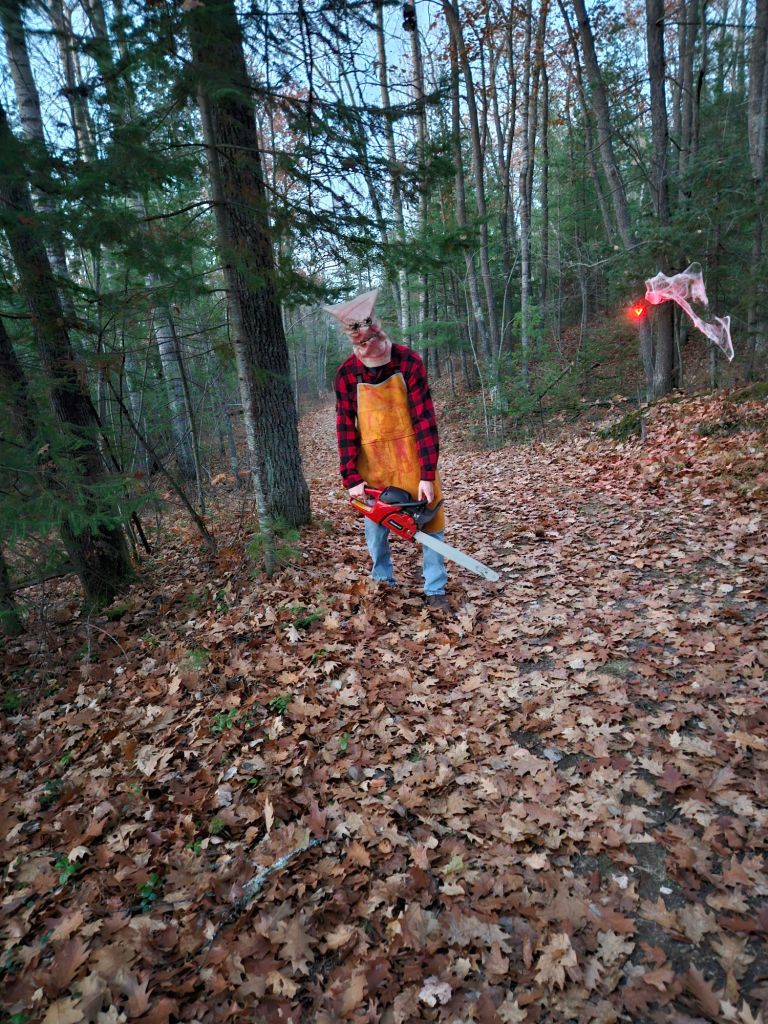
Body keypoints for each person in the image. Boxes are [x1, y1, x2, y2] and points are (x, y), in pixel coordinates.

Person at [327, 288, 449, 610]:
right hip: (373, 465)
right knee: (376, 527)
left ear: (380, 328)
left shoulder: (408, 361)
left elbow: (424, 419)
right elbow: (345, 427)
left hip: (413, 456)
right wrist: (351, 477)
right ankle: (383, 580)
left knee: (431, 523)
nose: (369, 343)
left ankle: (435, 588)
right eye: (361, 338)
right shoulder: (346, 375)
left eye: (372, 334)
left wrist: (427, 473)